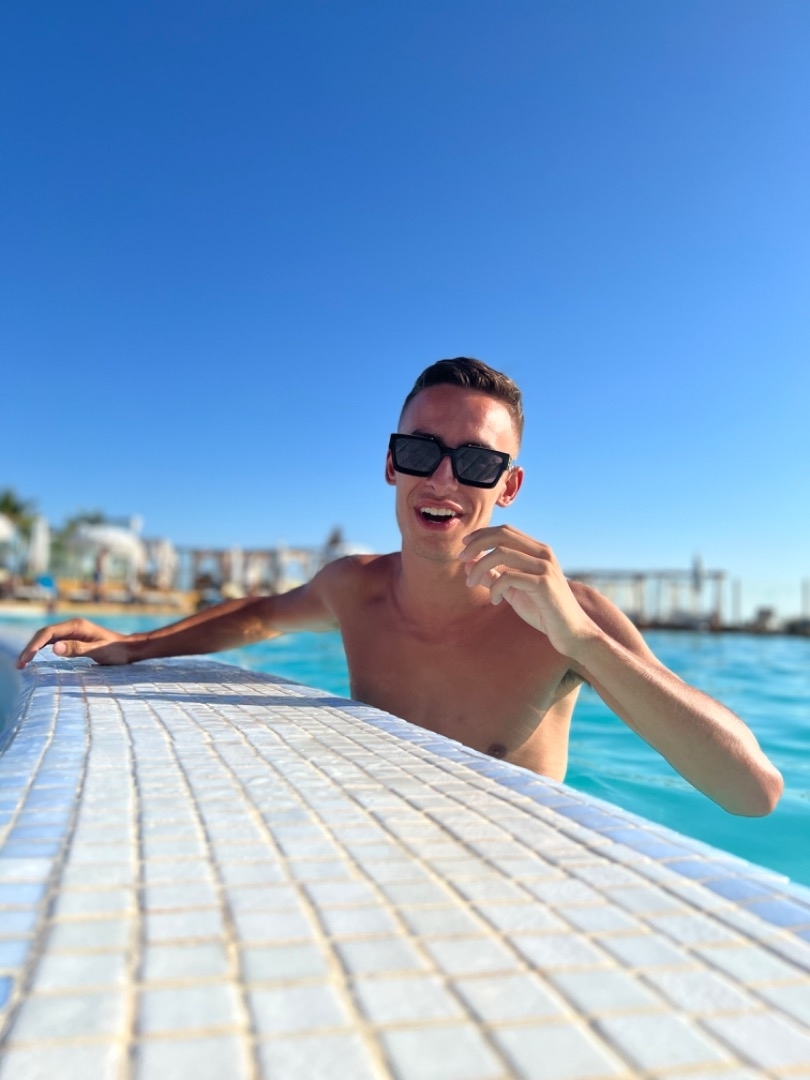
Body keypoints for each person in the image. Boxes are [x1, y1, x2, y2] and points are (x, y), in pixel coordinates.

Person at [17, 358, 782, 816]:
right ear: (391, 464)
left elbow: (753, 791)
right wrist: (135, 645)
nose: (443, 478)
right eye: (421, 450)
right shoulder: (354, 589)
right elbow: (257, 618)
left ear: (508, 487)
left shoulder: (565, 617)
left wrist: (580, 641)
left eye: (475, 463)